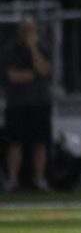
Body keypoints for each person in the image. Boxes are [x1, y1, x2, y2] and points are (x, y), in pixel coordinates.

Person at [3, 17, 53, 191]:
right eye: (25, 29)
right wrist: (33, 75)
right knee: (15, 143)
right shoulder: (11, 50)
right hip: (17, 103)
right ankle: (12, 179)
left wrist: (33, 48)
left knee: (40, 142)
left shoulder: (43, 48)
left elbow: (44, 71)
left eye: (30, 29)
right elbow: (13, 76)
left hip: (40, 102)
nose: (28, 33)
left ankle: (39, 179)